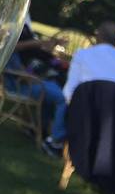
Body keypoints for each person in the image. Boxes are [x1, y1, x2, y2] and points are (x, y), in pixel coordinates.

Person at [41, 20, 115, 157]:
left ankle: (56, 141)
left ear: (97, 36)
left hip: (84, 118)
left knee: (63, 99)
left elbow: (68, 92)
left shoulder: (83, 55)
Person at [5, 17, 68, 149]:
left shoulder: (11, 36)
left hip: (24, 81)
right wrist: (33, 78)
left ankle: (39, 129)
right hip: (19, 85)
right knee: (62, 99)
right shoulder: (10, 42)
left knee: (54, 90)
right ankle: (56, 142)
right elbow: (20, 73)